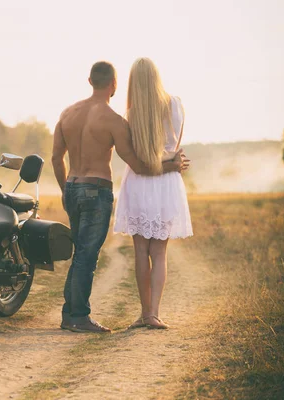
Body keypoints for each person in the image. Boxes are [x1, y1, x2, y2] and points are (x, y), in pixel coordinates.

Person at [52, 61, 189, 333]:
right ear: (113, 84)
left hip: (73, 187)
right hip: (97, 189)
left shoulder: (68, 113)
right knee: (87, 256)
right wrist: (171, 166)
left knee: (80, 252)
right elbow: (139, 165)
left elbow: (56, 157)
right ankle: (77, 315)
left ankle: (71, 313)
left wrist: (65, 190)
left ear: (89, 81)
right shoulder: (114, 120)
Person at [113, 58, 193, 329]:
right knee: (159, 252)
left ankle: (145, 313)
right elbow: (176, 147)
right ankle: (155, 313)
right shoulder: (175, 105)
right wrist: (172, 162)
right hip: (166, 181)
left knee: (140, 250)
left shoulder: (131, 114)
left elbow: (137, 158)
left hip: (139, 182)